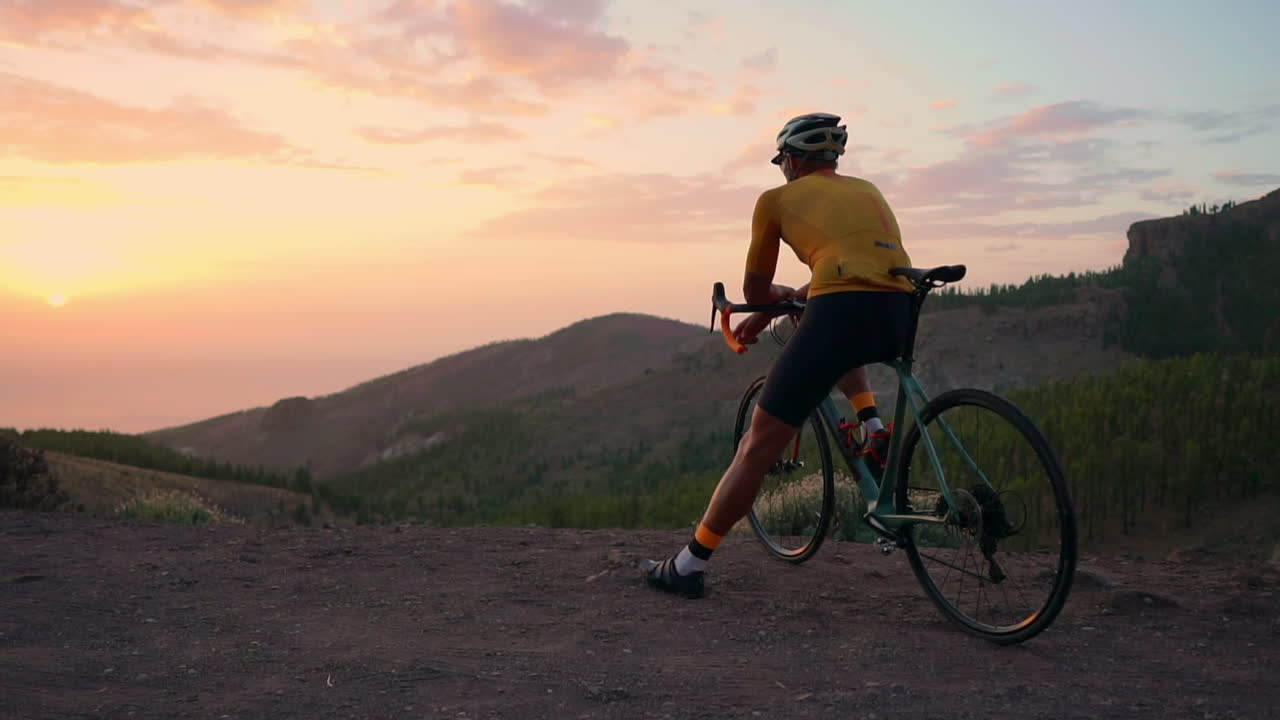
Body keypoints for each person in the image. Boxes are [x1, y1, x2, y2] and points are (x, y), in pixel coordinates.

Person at [642, 112, 915, 599]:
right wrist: (786, 306)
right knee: (842, 336)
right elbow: (854, 269)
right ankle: (873, 428)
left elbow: (756, 288)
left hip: (839, 310)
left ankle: (688, 565)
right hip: (899, 306)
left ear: (790, 160)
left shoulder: (775, 200)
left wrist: (769, 303)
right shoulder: (868, 190)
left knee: (756, 445)